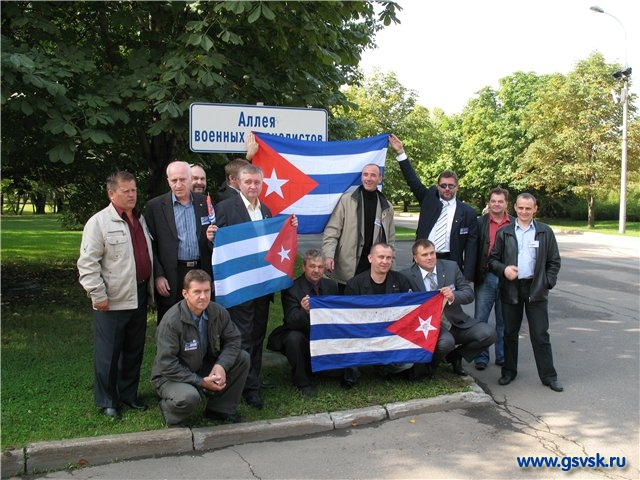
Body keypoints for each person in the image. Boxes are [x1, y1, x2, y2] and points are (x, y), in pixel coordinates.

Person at [216, 164, 298, 409]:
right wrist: (210, 237)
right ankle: (241, 386)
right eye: (248, 182)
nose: (252, 186)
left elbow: (271, 242)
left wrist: (288, 226)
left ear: (262, 184)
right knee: (240, 337)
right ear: (238, 183)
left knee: (257, 335)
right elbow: (215, 245)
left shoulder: (266, 210)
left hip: (261, 285)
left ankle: (253, 381)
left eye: (256, 182)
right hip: (239, 285)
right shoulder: (225, 208)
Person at [77, 171, 153, 420]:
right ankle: (108, 401)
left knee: (134, 349)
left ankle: (129, 395)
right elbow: (87, 264)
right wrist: (97, 294)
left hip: (138, 293)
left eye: (134, 190)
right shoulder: (99, 222)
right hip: (112, 298)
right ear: (111, 194)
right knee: (108, 353)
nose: (132, 195)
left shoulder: (139, 218)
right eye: (126, 191)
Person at [151, 269, 250, 427]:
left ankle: (220, 409)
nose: (203, 296)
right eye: (197, 292)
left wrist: (221, 365)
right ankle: (169, 411)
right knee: (189, 397)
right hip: (170, 376)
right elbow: (166, 364)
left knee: (242, 358)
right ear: (185, 293)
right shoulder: (171, 321)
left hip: (201, 365)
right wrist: (200, 382)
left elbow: (233, 339)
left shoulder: (217, 311)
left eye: (206, 291)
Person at [489, 193, 563, 392]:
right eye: (521, 208)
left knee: (540, 333)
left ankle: (549, 376)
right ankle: (508, 371)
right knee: (509, 333)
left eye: (528, 208)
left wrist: (547, 282)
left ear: (535, 209)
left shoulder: (545, 232)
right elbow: (492, 260)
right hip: (511, 288)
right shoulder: (504, 232)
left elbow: (554, 261)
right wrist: (504, 270)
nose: (524, 212)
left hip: (536, 288)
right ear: (515, 207)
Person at [402, 239, 496, 378]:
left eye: (432, 253)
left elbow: (469, 294)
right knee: (447, 342)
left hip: (455, 321)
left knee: (488, 333)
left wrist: (453, 296)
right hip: (429, 325)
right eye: (424, 255)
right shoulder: (406, 276)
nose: (430, 257)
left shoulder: (451, 267)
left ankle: (455, 356)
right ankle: (429, 368)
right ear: (415, 258)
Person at [389, 134, 477, 282]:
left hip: (450, 263)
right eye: (443, 185)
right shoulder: (428, 199)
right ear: (438, 186)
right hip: (423, 260)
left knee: (447, 296)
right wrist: (400, 152)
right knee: (423, 295)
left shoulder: (468, 212)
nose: (447, 189)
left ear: (457, 187)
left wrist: (467, 276)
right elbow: (412, 180)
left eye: (451, 186)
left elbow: (471, 247)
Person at [144, 161, 215, 324]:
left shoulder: (205, 203)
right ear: (168, 181)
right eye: (174, 180)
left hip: (200, 270)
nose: (178, 184)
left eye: (182, 179)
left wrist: (212, 275)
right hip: (171, 274)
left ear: (190, 179)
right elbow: (151, 245)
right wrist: (158, 275)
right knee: (170, 321)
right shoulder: (155, 207)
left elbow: (213, 242)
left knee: (201, 319)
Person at [267, 249, 339, 397]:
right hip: (301, 334)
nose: (316, 270)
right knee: (293, 338)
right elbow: (291, 321)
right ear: (304, 267)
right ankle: (301, 381)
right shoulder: (291, 288)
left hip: (324, 335)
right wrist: (304, 311)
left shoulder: (332, 286)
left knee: (336, 373)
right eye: (312, 266)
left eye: (320, 267)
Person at [342, 242, 414, 387]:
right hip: (361, 335)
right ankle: (353, 372)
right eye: (381, 257)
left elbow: (410, 310)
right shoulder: (354, 284)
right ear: (370, 258)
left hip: (391, 334)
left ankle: (383, 368)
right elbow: (347, 318)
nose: (385, 261)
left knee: (408, 363)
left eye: (388, 258)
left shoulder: (401, 281)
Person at [322, 163, 395, 293]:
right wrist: (328, 255)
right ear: (361, 177)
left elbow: (390, 240)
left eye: (373, 175)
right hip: (348, 266)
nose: (368, 178)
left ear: (380, 179)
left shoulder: (387, 207)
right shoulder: (347, 200)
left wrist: (390, 264)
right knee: (347, 303)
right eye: (365, 174)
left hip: (374, 268)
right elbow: (332, 231)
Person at [473, 187, 514, 370]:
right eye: (493, 201)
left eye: (500, 201)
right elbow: (472, 249)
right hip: (486, 276)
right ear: (488, 203)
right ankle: (481, 357)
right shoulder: (479, 223)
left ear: (506, 204)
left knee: (503, 320)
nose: (496, 204)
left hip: (508, 278)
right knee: (480, 319)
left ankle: (502, 356)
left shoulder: (514, 223)